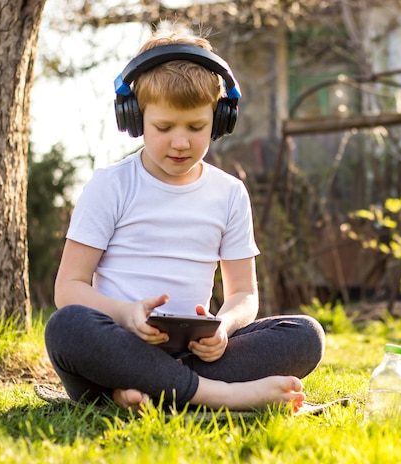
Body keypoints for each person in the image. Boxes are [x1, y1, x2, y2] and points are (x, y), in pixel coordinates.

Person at [44, 24, 325, 413]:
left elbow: (243, 293)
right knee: (67, 327)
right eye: (164, 127)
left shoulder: (229, 193)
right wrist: (126, 315)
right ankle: (218, 397)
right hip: (119, 345)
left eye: (196, 127)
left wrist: (222, 329)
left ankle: (142, 394)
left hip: (197, 356)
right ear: (135, 117)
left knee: (305, 335)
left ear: (220, 119)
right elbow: (69, 288)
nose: (181, 142)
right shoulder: (110, 185)